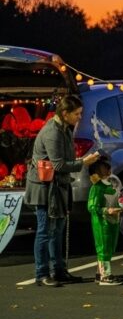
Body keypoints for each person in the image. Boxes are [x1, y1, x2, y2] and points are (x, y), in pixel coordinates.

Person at [26, 95, 102, 286]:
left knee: (57, 229)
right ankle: (41, 274)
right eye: (77, 114)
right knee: (45, 230)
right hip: (44, 188)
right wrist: (83, 162)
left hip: (58, 186)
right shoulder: (52, 132)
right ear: (65, 113)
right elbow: (58, 165)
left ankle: (58, 270)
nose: (79, 117)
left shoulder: (65, 129)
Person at [86, 157, 123, 285]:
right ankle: (105, 275)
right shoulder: (97, 188)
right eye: (103, 168)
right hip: (102, 222)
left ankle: (100, 273)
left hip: (113, 220)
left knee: (109, 246)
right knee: (103, 247)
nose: (107, 170)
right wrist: (107, 210)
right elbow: (92, 207)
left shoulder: (111, 185)